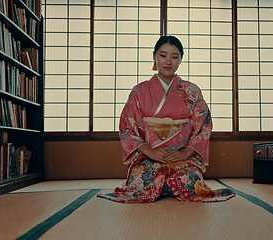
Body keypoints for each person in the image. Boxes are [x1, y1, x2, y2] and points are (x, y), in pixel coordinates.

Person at [97, 35, 236, 203]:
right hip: (148, 156)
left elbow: (204, 126)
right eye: (163, 55)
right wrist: (150, 151)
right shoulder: (139, 91)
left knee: (189, 179)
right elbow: (127, 127)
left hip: (182, 157)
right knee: (143, 178)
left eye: (174, 57)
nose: (168, 61)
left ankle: (165, 188)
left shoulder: (192, 91)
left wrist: (184, 153)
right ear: (154, 56)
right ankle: (163, 187)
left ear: (181, 60)